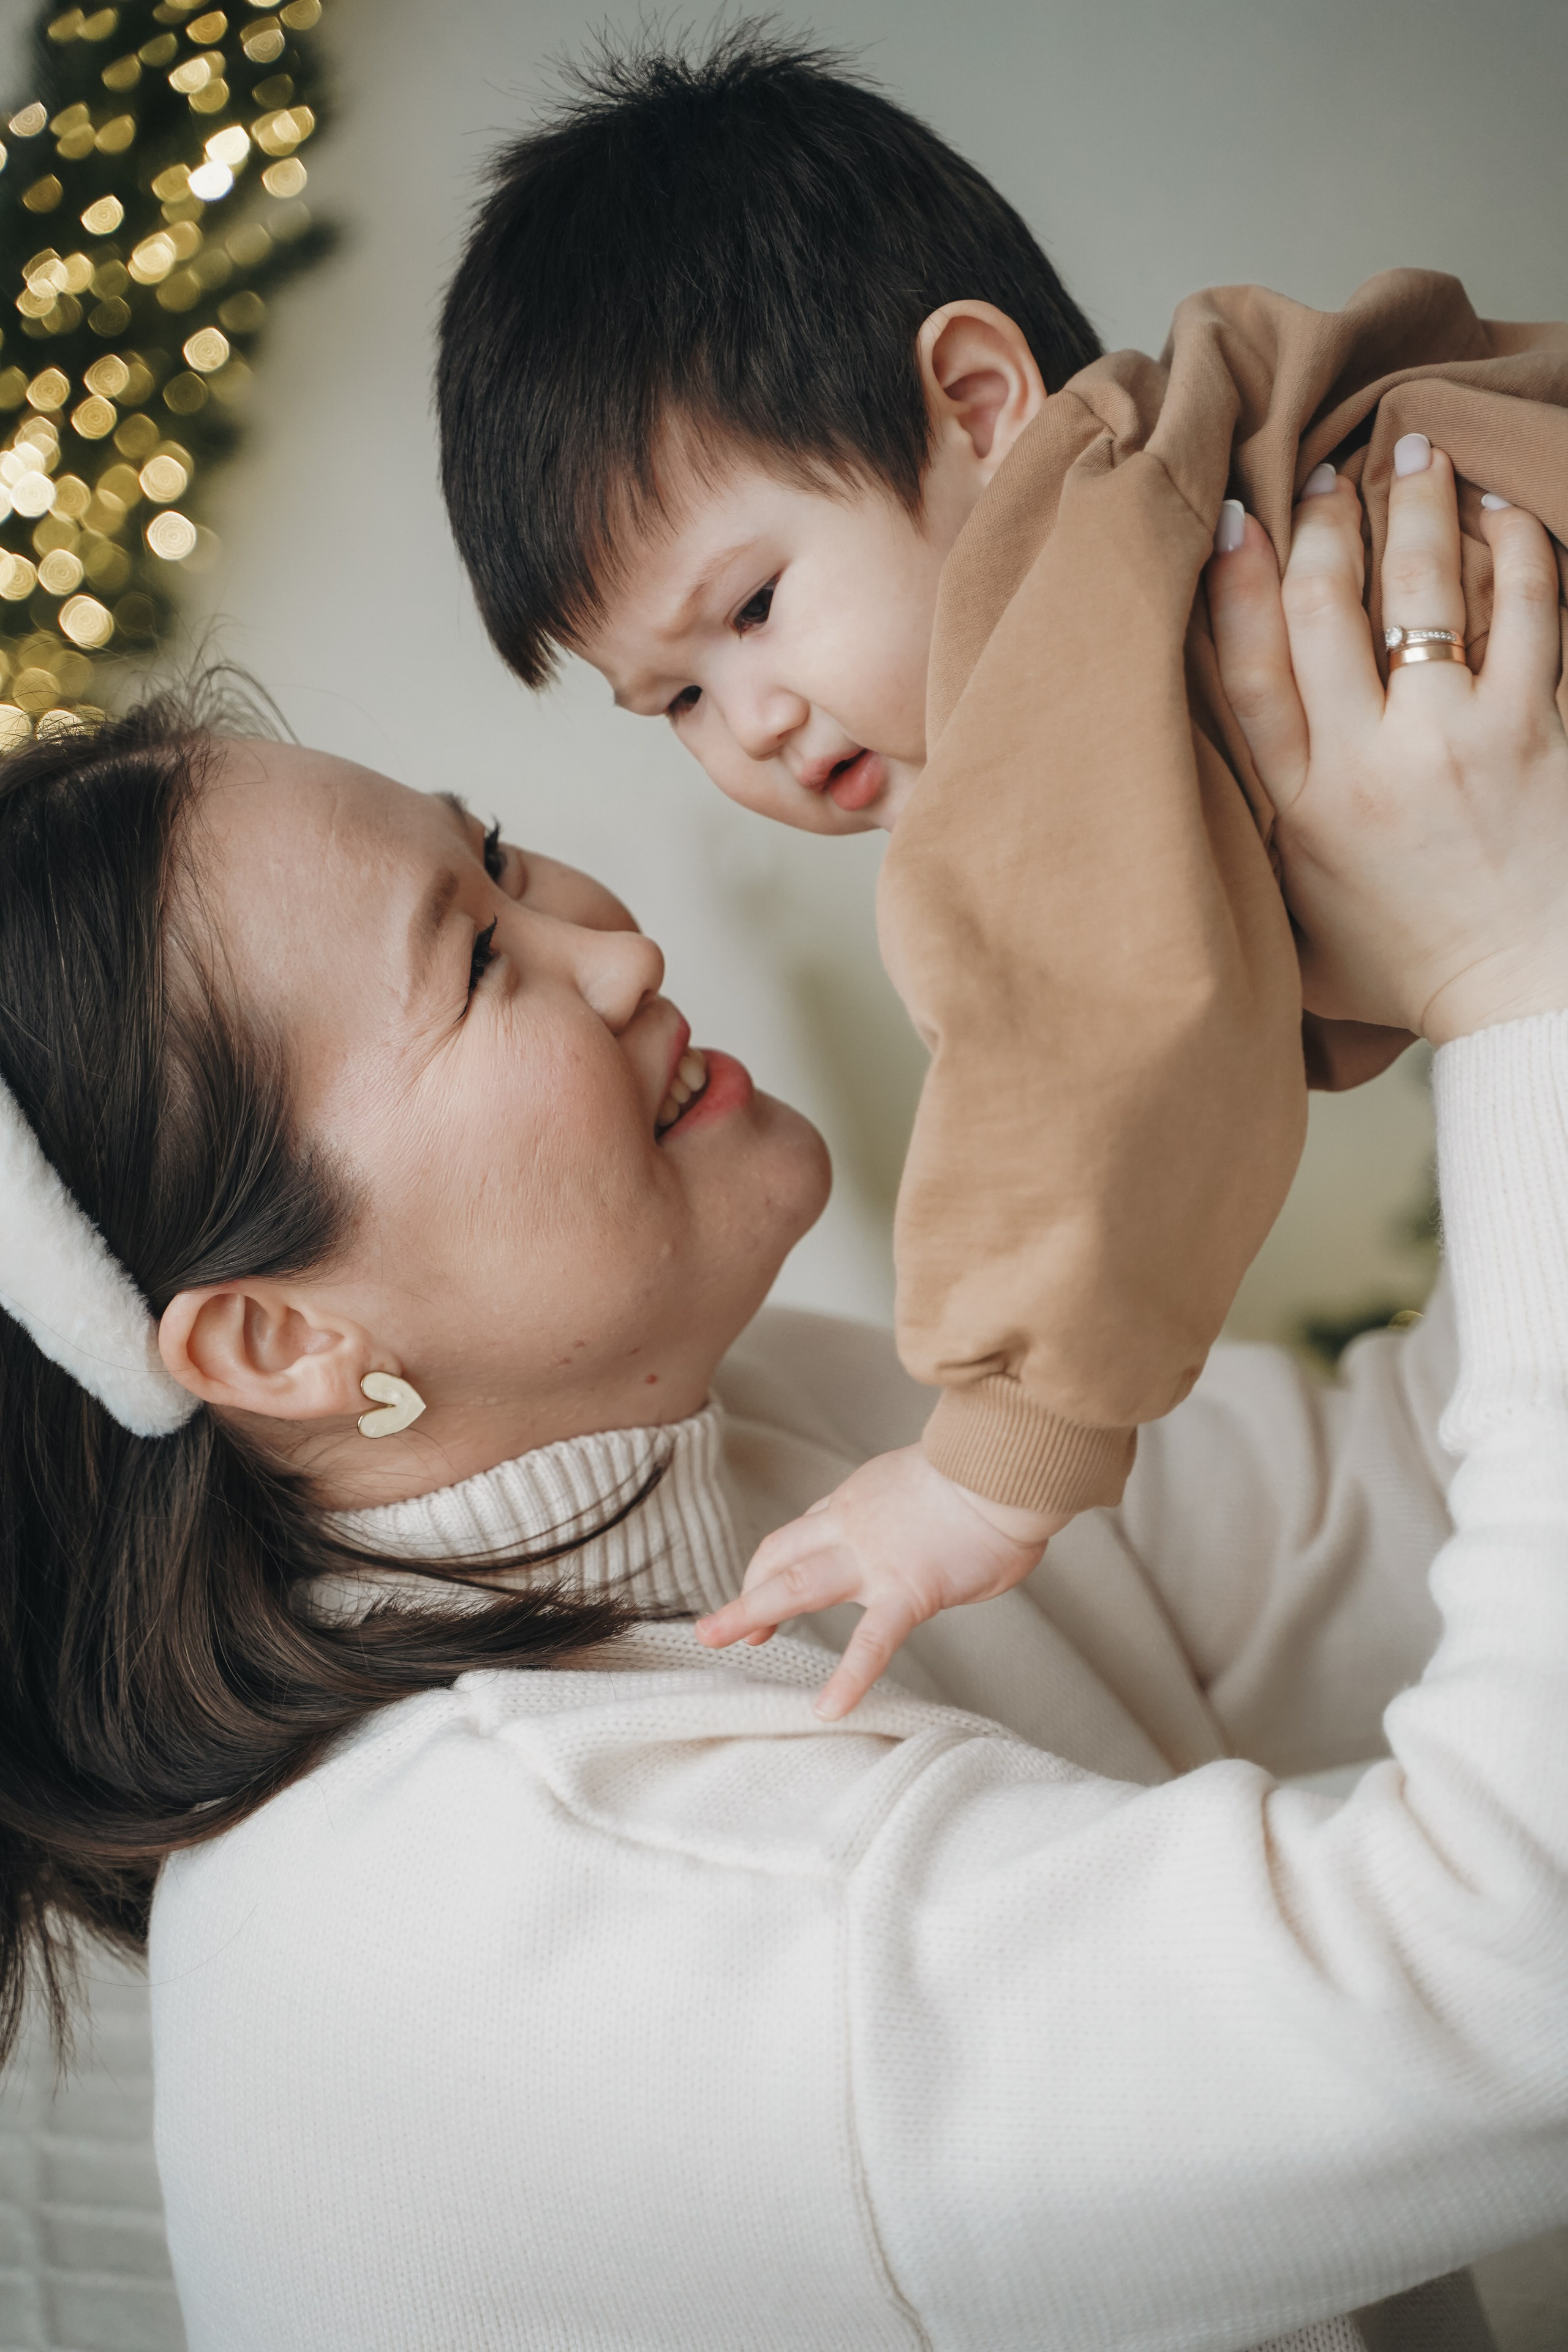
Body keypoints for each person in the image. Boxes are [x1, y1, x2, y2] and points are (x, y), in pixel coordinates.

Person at [1, 445, 1566, 2345]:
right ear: (276, 1344)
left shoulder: (751, 1424)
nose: (617, 948)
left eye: (501, 855)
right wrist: (1516, 972)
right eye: (480, 961)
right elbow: (1509, 1985)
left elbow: (1395, 1507)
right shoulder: (537, 1920)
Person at [435, 30, 1568, 1716]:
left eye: (754, 608)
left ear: (977, 407)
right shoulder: (1171, 510)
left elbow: (1079, 1026)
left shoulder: (1057, 632)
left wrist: (990, 1463)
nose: (752, 719)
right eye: (675, 699)